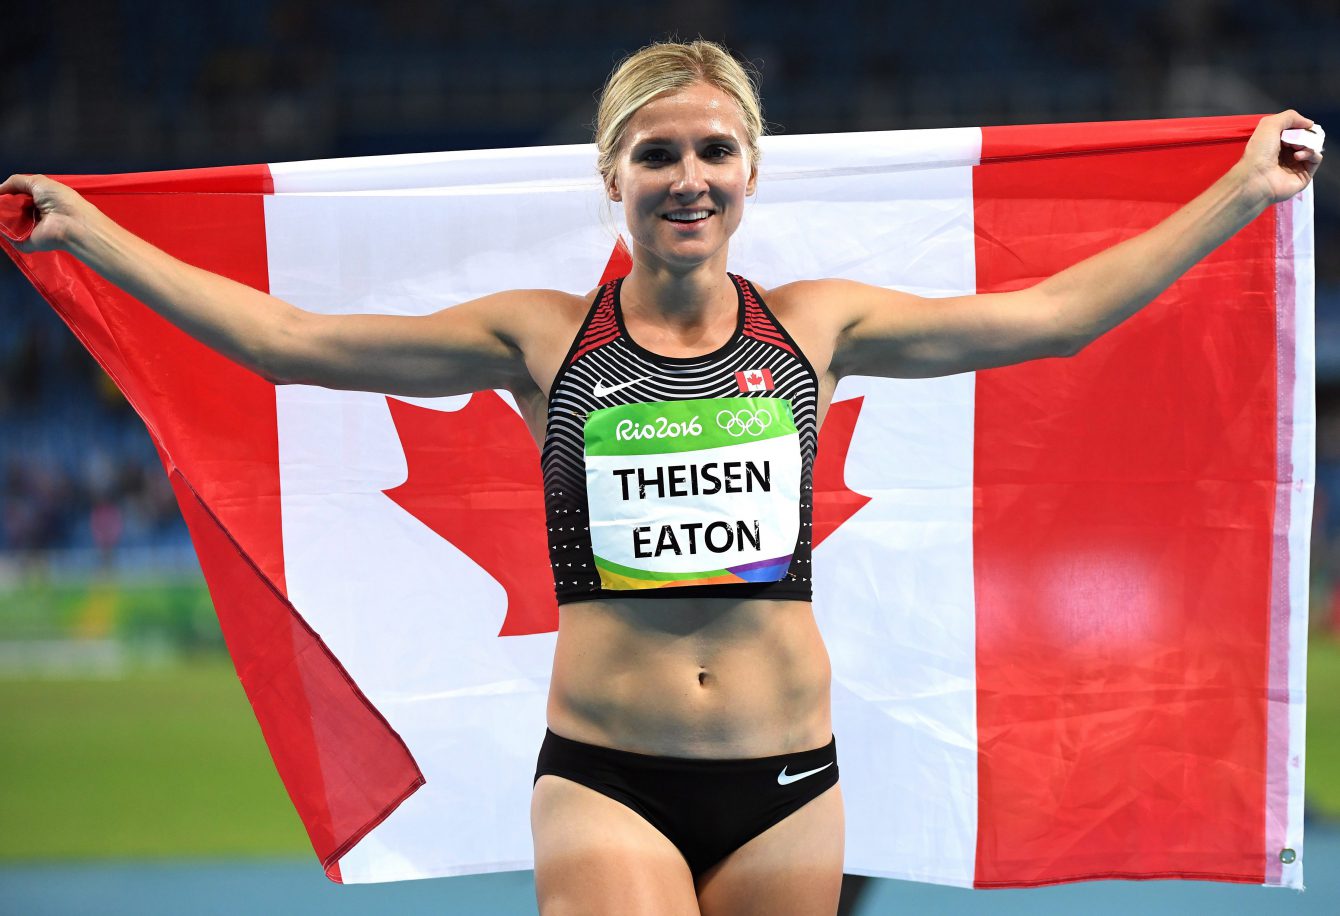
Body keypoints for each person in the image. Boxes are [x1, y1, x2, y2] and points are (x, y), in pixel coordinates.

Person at [0, 38, 1322, 916]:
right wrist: (95, 237)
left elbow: (1056, 319)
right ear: (612, 177)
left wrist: (1238, 192)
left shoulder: (815, 324)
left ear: (749, 172)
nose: (686, 178)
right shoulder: (537, 336)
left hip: (793, 782)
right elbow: (289, 342)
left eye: (712, 152)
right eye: (657, 154)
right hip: (609, 772)